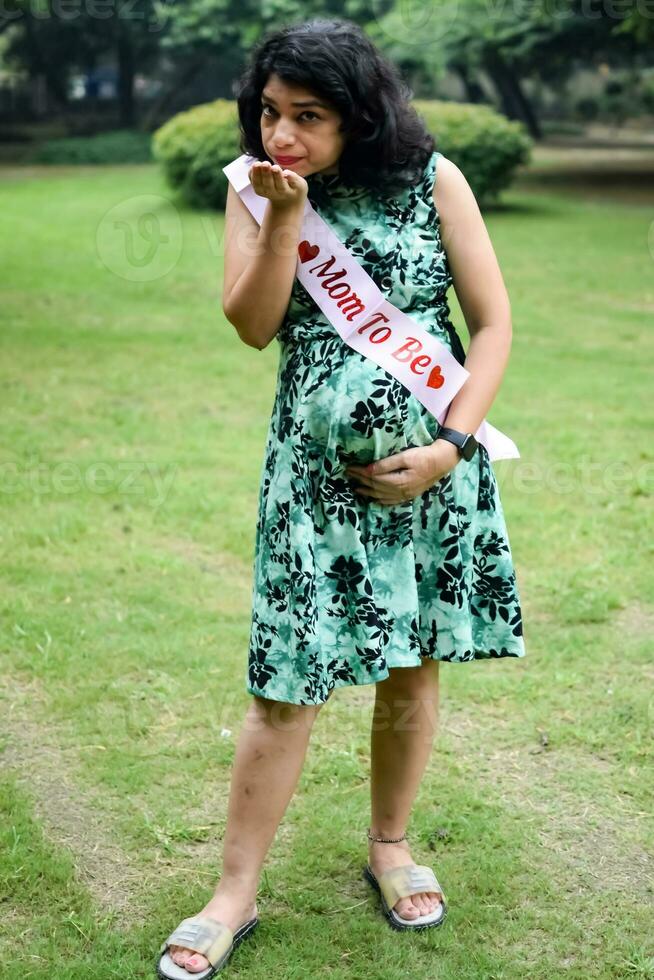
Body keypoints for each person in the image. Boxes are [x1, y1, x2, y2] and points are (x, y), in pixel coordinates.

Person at [156, 15, 526, 978]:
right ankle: (232, 894)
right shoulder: (257, 191)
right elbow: (252, 323)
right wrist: (284, 214)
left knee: (411, 663)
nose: (282, 135)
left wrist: (449, 448)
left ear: (360, 115)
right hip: (312, 488)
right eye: (271, 112)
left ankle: (391, 845)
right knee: (285, 685)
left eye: (308, 117)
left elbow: (490, 327)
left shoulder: (434, 180)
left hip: (432, 483)